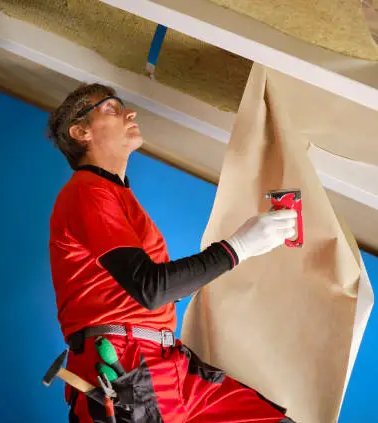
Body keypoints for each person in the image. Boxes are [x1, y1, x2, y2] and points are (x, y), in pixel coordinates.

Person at [46, 83, 297, 423]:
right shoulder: (87, 192)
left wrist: (245, 246)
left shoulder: (116, 196)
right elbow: (152, 288)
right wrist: (240, 246)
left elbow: (158, 288)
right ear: (80, 132)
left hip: (165, 362)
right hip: (125, 369)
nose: (129, 113)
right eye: (111, 108)